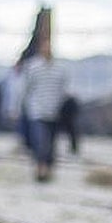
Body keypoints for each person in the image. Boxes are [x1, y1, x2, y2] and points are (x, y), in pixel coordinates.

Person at [21, 35, 69, 182]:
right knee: (40, 140)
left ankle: (47, 166)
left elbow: (63, 89)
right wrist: (24, 105)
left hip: (54, 111)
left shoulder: (60, 69)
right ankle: (41, 168)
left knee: (51, 143)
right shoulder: (32, 67)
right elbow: (26, 88)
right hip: (36, 110)